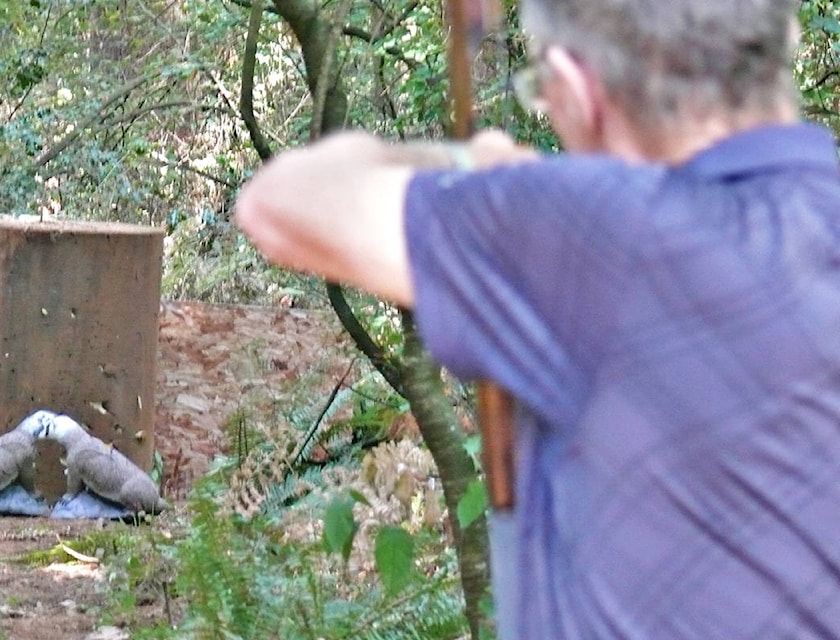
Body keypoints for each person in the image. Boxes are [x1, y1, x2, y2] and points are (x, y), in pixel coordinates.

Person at [236, 0, 840, 637]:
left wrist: (473, 169)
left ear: (579, 92)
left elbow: (283, 203)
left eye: (543, 92)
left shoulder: (605, 241)